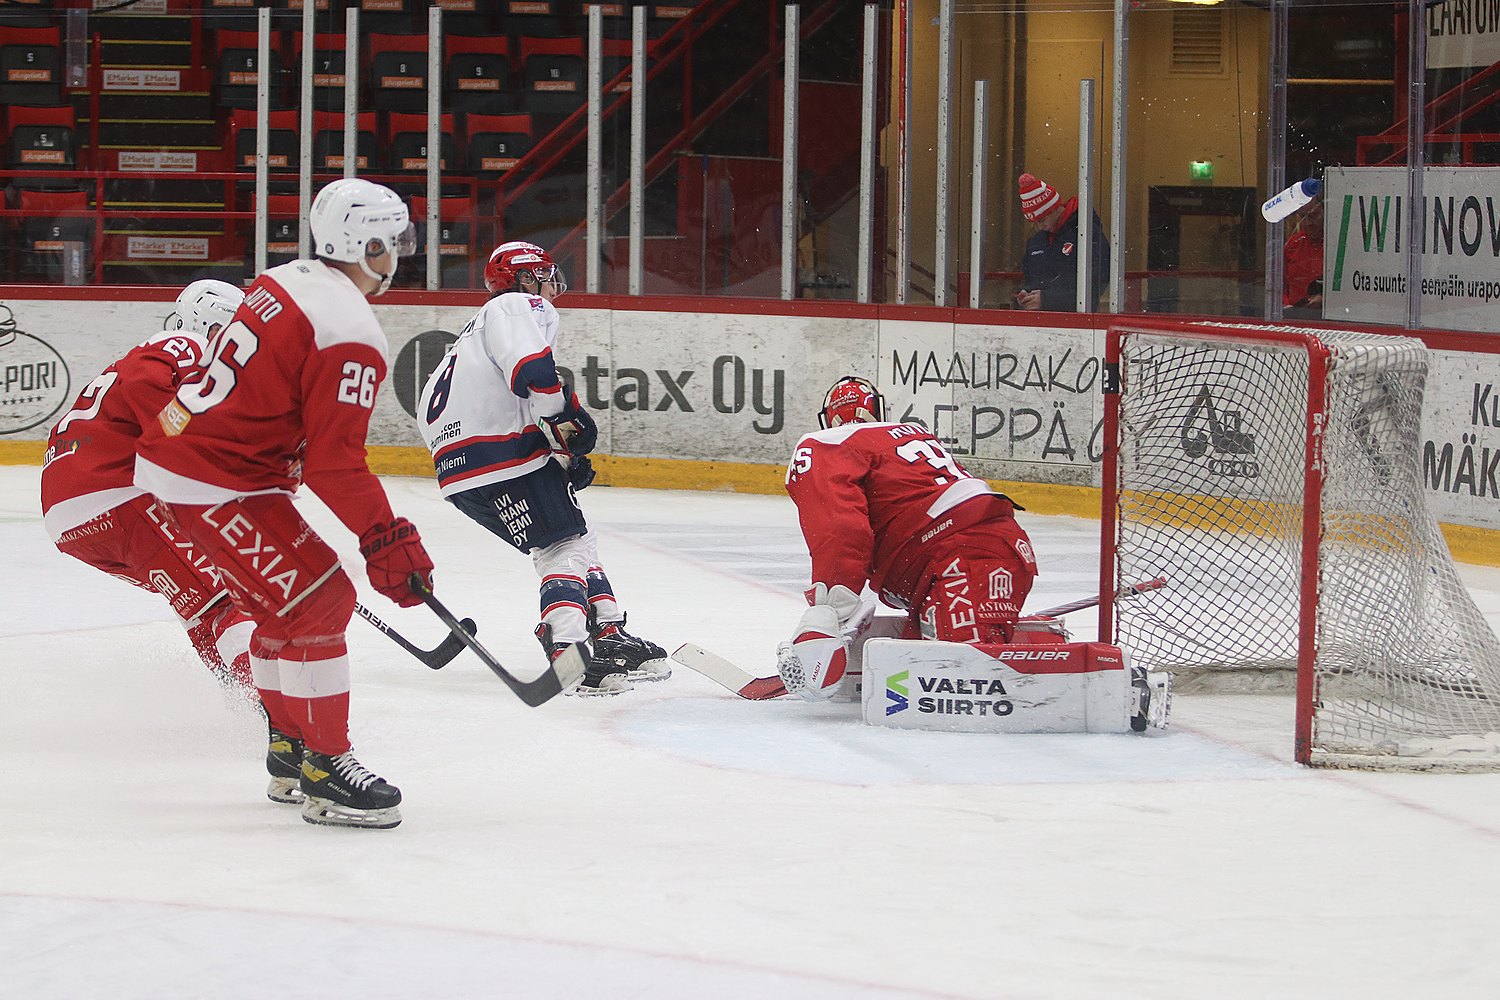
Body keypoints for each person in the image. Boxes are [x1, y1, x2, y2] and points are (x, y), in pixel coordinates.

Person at [134, 177, 434, 830]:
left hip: (194, 461)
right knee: (321, 601)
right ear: (368, 243)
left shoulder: (282, 279)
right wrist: (385, 537)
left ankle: (288, 749)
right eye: (395, 241)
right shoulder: (350, 329)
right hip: (217, 478)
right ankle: (328, 766)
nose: (401, 255)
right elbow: (335, 461)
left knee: (283, 609)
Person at [415, 240, 668, 696]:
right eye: (545, 274)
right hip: (503, 456)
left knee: (569, 537)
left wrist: (561, 454)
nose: (552, 285)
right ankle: (567, 646)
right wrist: (565, 419)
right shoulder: (515, 305)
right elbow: (534, 372)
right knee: (563, 547)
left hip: (459, 475)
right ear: (526, 278)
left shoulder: (465, 342)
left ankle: (607, 631)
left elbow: (501, 403)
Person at [41, 280, 259, 698]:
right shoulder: (185, 344)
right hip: (114, 495)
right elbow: (151, 392)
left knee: (202, 605)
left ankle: (246, 705)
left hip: (73, 515)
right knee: (234, 593)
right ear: (210, 323)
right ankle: (275, 716)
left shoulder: (173, 362)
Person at [776, 376, 1039, 701]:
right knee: (922, 672)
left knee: (963, 686)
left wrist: (830, 608)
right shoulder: (910, 434)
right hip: (990, 548)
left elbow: (838, 525)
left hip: (957, 556)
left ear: (829, 417)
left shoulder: (824, 443)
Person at [1014, 172, 1109, 312]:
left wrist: (1047, 300)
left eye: (1042, 220)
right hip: (1039, 322)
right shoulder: (1037, 242)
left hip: (1078, 322)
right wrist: (1027, 293)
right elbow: (1033, 279)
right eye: (1034, 223)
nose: (1040, 227)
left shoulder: (1086, 234)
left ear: (1055, 208)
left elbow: (1095, 283)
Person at [1283, 194, 1324, 318]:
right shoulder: (1292, 245)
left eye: (1313, 216)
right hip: (1294, 318)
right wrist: (1285, 306)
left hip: (1328, 318)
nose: (1307, 223)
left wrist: (1326, 299)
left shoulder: (1338, 246)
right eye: (1302, 217)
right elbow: (1277, 286)